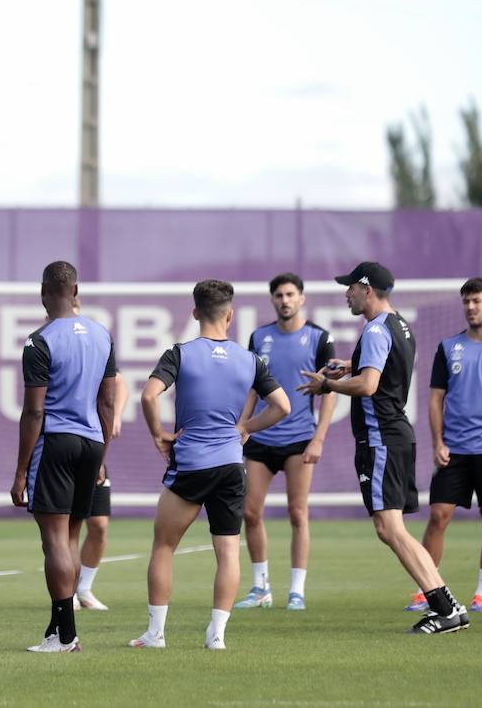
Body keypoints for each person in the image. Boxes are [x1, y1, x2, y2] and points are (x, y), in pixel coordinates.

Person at [297, 261, 469, 634]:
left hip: (382, 439)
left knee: (389, 528)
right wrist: (350, 364)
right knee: (392, 528)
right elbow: (380, 373)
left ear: (366, 289)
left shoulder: (376, 330)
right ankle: (448, 604)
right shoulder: (399, 325)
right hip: (395, 437)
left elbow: (370, 386)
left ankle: (445, 608)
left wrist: (326, 386)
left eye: (350, 288)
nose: (347, 294)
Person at [128, 279, 289, 650]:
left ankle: (156, 634)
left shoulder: (180, 353)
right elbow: (283, 407)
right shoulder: (250, 360)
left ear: (195, 313)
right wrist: (246, 427)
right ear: (230, 316)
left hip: (191, 463)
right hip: (232, 465)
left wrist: (158, 434)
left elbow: (149, 395)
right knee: (228, 551)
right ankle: (216, 635)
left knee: (164, 547)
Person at [10, 261, 118, 652]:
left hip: (55, 442)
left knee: (54, 540)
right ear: (76, 292)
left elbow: (34, 412)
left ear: (43, 292)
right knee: (69, 538)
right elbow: (107, 402)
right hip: (91, 444)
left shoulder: (39, 341)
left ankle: (67, 636)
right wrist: (103, 455)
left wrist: (21, 471)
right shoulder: (102, 335)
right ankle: (57, 629)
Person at [410, 277, 482, 614]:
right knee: (438, 516)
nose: (471, 307)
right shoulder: (448, 348)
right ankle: (426, 590)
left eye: (477, 301)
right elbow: (435, 400)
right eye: (466, 302)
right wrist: (438, 442)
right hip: (454, 450)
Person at [234, 272, 336, 612]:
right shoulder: (259, 337)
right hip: (262, 437)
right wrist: (243, 426)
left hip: (298, 439)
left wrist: (318, 439)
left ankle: (297, 590)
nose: (285, 300)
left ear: (302, 298)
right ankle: (261, 587)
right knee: (250, 511)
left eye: (290, 294)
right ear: (272, 300)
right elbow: (252, 387)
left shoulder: (320, 338)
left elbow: (330, 392)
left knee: (297, 512)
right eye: (279, 295)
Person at [75, 372, 128, 611]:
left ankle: (83, 589)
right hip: (63, 446)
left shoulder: (97, 350)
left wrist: (116, 416)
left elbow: (119, 382)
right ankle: (66, 591)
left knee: (99, 526)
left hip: (95, 452)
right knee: (67, 527)